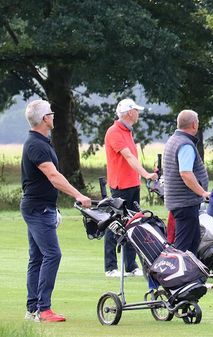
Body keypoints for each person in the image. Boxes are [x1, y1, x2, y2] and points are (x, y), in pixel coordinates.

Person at [21, 99, 92, 322]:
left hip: (41, 207)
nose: (53, 116)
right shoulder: (36, 145)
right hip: (38, 209)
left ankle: (33, 309)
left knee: (38, 257)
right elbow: (53, 176)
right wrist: (78, 195)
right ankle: (43, 309)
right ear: (44, 119)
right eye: (51, 113)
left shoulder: (42, 141)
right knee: (52, 254)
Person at [104, 98, 158, 277]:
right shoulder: (114, 132)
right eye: (136, 110)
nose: (138, 113)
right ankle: (110, 267)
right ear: (128, 113)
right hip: (120, 185)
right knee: (115, 224)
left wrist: (144, 174)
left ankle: (130, 265)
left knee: (133, 223)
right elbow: (128, 157)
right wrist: (146, 174)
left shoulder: (127, 131)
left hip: (132, 184)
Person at [163, 110, 210, 254]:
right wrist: (202, 192)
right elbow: (186, 173)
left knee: (194, 241)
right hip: (185, 203)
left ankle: (192, 276)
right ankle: (176, 274)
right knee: (183, 246)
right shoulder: (186, 145)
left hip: (180, 202)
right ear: (194, 124)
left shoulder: (173, 140)